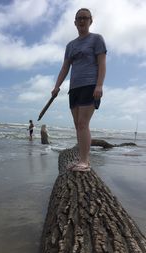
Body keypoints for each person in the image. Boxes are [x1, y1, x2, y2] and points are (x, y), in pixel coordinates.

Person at [51, 8, 107, 172]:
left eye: (85, 18)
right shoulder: (71, 45)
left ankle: (85, 162)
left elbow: (102, 64)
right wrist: (56, 86)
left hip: (90, 86)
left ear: (91, 20)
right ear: (75, 22)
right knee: (78, 125)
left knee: (83, 124)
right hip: (74, 88)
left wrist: (99, 85)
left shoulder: (97, 39)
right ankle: (81, 159)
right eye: (79, 18)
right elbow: (65, 67)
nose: (82, 21)